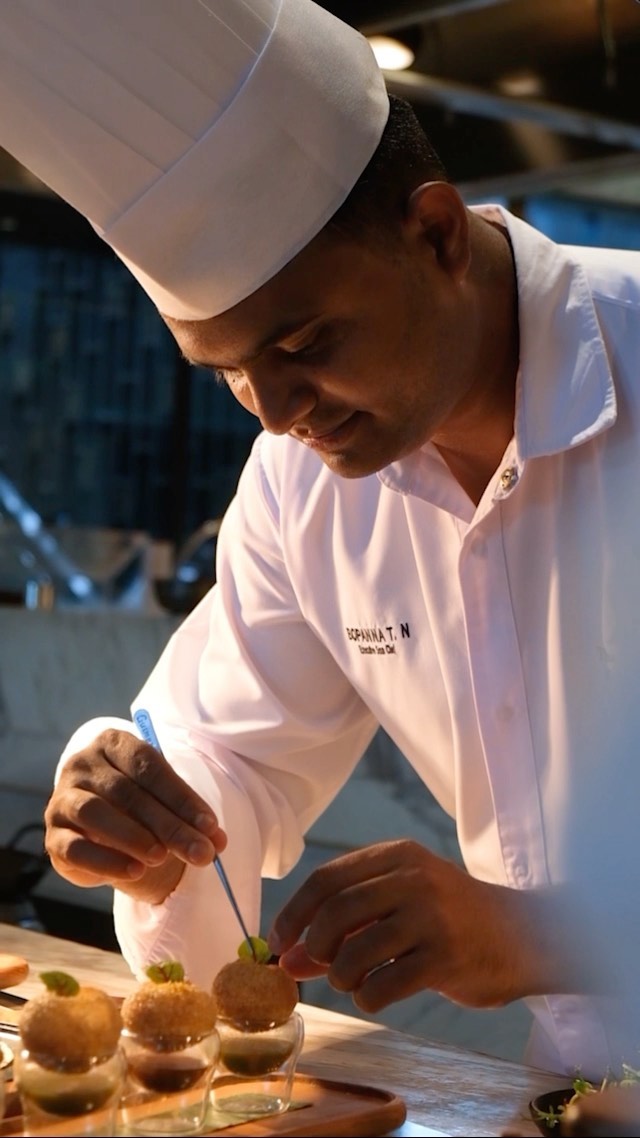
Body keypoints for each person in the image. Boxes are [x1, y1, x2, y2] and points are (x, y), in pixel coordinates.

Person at [2, 0, 640, 1082]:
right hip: (570, 1095)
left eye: (303, 343)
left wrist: (527, 934)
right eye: (229, 373)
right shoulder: (303, 485)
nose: (278, 410)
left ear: (436, 234)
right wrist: (147, 832)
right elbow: (232, 758)